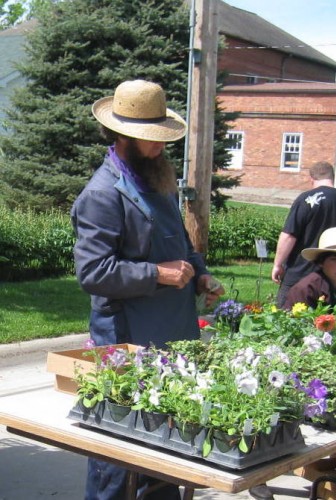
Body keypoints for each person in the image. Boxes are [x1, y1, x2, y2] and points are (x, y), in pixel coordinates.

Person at [71, 79, 224, 500]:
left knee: (165, 452)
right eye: (150, 139)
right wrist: (157, 274)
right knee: (119, 461)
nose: (160, 147)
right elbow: (93, 272)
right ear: (122, 136)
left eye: (161, 137)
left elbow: (180, 245)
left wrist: (201, 273)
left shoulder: (156, 181)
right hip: (127, 342)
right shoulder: (103, 195)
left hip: (170, 339)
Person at [271, 161, 336, 308]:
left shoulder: (307, 199)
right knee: (326, 323)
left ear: (311, 179)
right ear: (333, 177)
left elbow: (289, 235)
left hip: (300, 273)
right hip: (332, 276)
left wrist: (277, 264)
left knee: (285, 320)